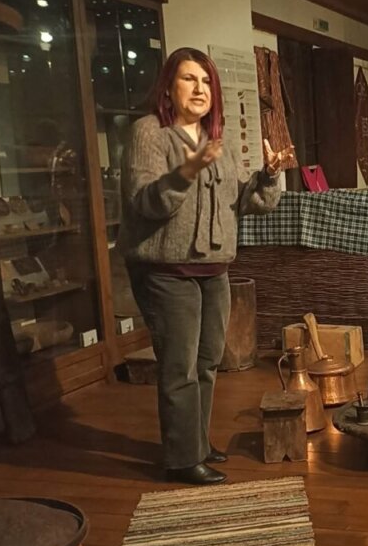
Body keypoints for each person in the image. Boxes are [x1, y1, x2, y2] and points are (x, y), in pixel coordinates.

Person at [120, 48, 292, 486]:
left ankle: (196, 443)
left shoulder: (219, 140)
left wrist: (269, 176)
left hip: (214, 270)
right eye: (188, 79)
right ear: (167, 88)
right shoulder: (149, 133)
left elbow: (244, 202)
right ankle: (181, 459)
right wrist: (186, 171)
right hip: (164, 271)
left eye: (206, 82)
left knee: (208, 360)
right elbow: (145, 202)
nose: (199, 89)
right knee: (179, 367)